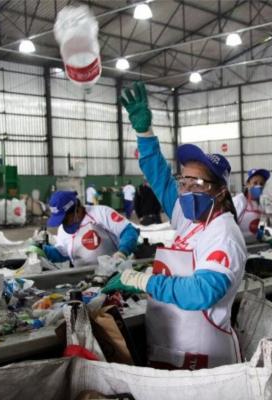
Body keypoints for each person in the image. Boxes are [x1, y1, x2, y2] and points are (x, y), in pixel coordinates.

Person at [104, 81, 246, 370]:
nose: (188, 188)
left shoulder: (223, 234)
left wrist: (143, 281)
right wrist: (144, 132)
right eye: (184, 180)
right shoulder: (188, 216)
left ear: (220, 190)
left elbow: (202, 292)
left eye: (199, 182)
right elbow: (158, 175)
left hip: (205, 360)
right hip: (171, 350)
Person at [30, 191, 139, 267]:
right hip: (84, 279)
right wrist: (42, 250)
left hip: (114, 272)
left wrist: (122, 252)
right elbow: (62, 254)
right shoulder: (63, 230)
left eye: (64, 218)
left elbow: (129, 231)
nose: (62, 223)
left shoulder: (101, 213)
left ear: (77, 210)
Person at [233, 168, 270, 242]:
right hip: (240, 244)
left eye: (261, 184)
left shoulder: (261, 203)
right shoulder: (240, 200)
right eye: (255, 183)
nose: (258, 186)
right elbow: (230, 224)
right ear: (248, 184)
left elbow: (262, 223)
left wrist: (261, 237)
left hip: (254, 244)